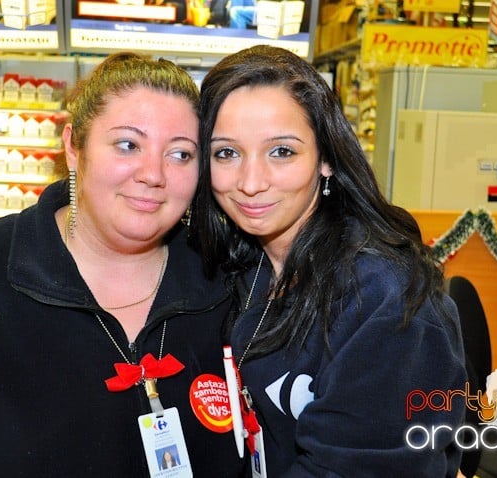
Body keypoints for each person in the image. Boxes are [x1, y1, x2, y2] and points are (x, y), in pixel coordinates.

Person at [0, 52, 244, 478]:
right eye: (127, 144)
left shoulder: (226, 284)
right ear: (74, 146)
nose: (153, 173)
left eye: (180, 154)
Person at [190, 44, 468, 477]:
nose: (250, 182)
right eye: (227, 153)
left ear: (326, 159)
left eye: (281, 151)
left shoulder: (384, 298)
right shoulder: (245, 263)